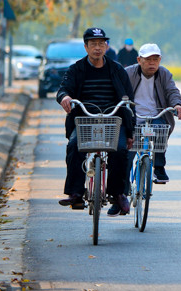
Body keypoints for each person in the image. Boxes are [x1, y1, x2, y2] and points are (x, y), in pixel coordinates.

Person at [56, 27, 135, 215]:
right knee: (74, 146)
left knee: (121, 150)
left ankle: (117, 193)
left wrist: (130, 132)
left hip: (113, 121)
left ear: (106, 47)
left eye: (101, 44)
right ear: (86, 47)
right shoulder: (76, 69)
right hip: (84, 120)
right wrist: (65, 97)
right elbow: (62, 90)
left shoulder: (117, 70)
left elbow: (129, 102)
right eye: (93, 44)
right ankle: (75, 193)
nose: (97, 48)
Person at [123, 43, 181, 183]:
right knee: (127, 154)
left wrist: (177, 104)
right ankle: (121, 192)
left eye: (155, 59)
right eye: (148, 59)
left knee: (160, 130)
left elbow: (172, 91)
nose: (152, 63)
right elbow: (120, 94)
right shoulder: (128, 73)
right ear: (139, 60)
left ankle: (159, 168)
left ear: (160, 60)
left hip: (156, 116)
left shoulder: (164, 74)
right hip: (133, 117)